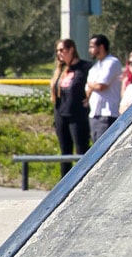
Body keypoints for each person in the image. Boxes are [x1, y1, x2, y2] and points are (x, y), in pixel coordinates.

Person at [50, 38, 90, 172]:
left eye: (62, 50)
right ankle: (64, 184)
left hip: (77, 115)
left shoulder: (84, 68)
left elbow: (94, 85)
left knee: (81, 150)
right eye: (57, 51)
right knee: (65, 152)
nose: (59, 54)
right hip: (61, 114)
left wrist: (89, 97)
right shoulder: (61, 70)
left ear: (71, 49)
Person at [86, 34, 123, 139]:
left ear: (101, 47)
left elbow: (101, 86)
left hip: (107, 114)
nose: (90, 50)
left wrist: (91, 85)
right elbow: (88, 89)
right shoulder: (95, 67)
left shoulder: (112, 62)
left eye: (92, 47)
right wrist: (92, 86)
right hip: (94, 114)